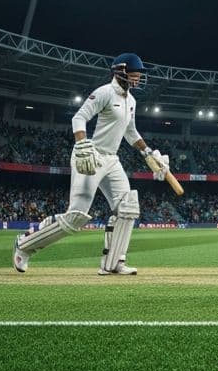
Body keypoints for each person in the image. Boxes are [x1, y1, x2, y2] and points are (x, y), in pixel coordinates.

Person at [12, 53, 171, 276]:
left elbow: (131, 132)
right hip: (91, 155)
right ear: (121, 71)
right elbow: (78, 118)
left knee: (128, 207)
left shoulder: (131, 101)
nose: (138, 78)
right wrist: (82, 145)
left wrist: (147, 153)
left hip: (111, 159)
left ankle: (114, 263)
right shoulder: (104, 92)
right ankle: (24, 244)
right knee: (76, 216)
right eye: (135, 73)